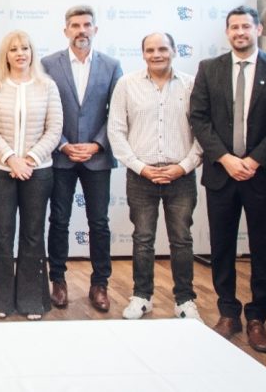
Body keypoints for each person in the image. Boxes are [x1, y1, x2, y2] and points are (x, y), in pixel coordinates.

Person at [189, 5, 266, 352]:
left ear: (259, 29)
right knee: (221, 246)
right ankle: (228, 312)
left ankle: (257, 318)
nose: (240, 32)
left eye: (246, 26)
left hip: (260, 175)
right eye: (234, 27)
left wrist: (252, 160)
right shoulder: (210, 69)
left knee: (264, 249)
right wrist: (225, 158)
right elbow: (199, 118)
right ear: (227, 32)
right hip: (223, 174)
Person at [107, 32, 203, 321]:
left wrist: (183, 166)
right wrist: (140, 167)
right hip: (141, 176)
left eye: (163, 49)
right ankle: (142, 296)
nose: (156, 54)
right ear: (143, 54)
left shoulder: (191, 85)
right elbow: (116, 130)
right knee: (143, 239)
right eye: (150, 50)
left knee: (182, 240)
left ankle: (185, 300)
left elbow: (203, 132)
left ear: (174, 50)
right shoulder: (126, 85)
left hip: (180, 175)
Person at [42, 5, 122, 313]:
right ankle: (58, 281)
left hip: (96, 159)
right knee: (59, 220)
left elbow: (116, 112)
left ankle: (100, 283)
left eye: (87, 25)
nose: (81, 30)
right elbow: (45, 111)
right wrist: (62, 145)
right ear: (65, 31)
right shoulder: (49, 64)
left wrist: (97, 145)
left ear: (95, 30)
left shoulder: (111, 65)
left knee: (99, 223)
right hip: (60, 157)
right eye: (75, 25)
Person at [0, 30, 62, 319]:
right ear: (6, 54)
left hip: (38, 172)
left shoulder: (47, 86)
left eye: (25, 48)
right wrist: (11, 159)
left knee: (32, 234)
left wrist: (31, 159)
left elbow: (54, 129)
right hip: (0, 170)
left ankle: (31, 300)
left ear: (32, 52)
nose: (20, 53)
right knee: (2, 233)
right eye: (13, 49)